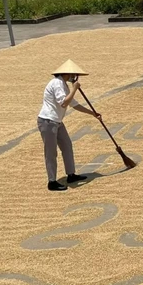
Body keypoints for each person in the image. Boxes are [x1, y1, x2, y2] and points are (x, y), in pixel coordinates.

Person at [37, 60, 103, 192]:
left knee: (67, 146)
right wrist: (74, 89)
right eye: (74, 74)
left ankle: (71, 174)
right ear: (67, 73)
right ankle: (52, 181)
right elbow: (64, 103)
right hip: (47, 121)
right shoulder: (57, 83)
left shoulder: (63, 85)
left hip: (57, 122)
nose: (75, 77)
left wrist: (92, 113)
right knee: (51, 152)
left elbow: (74, 104)